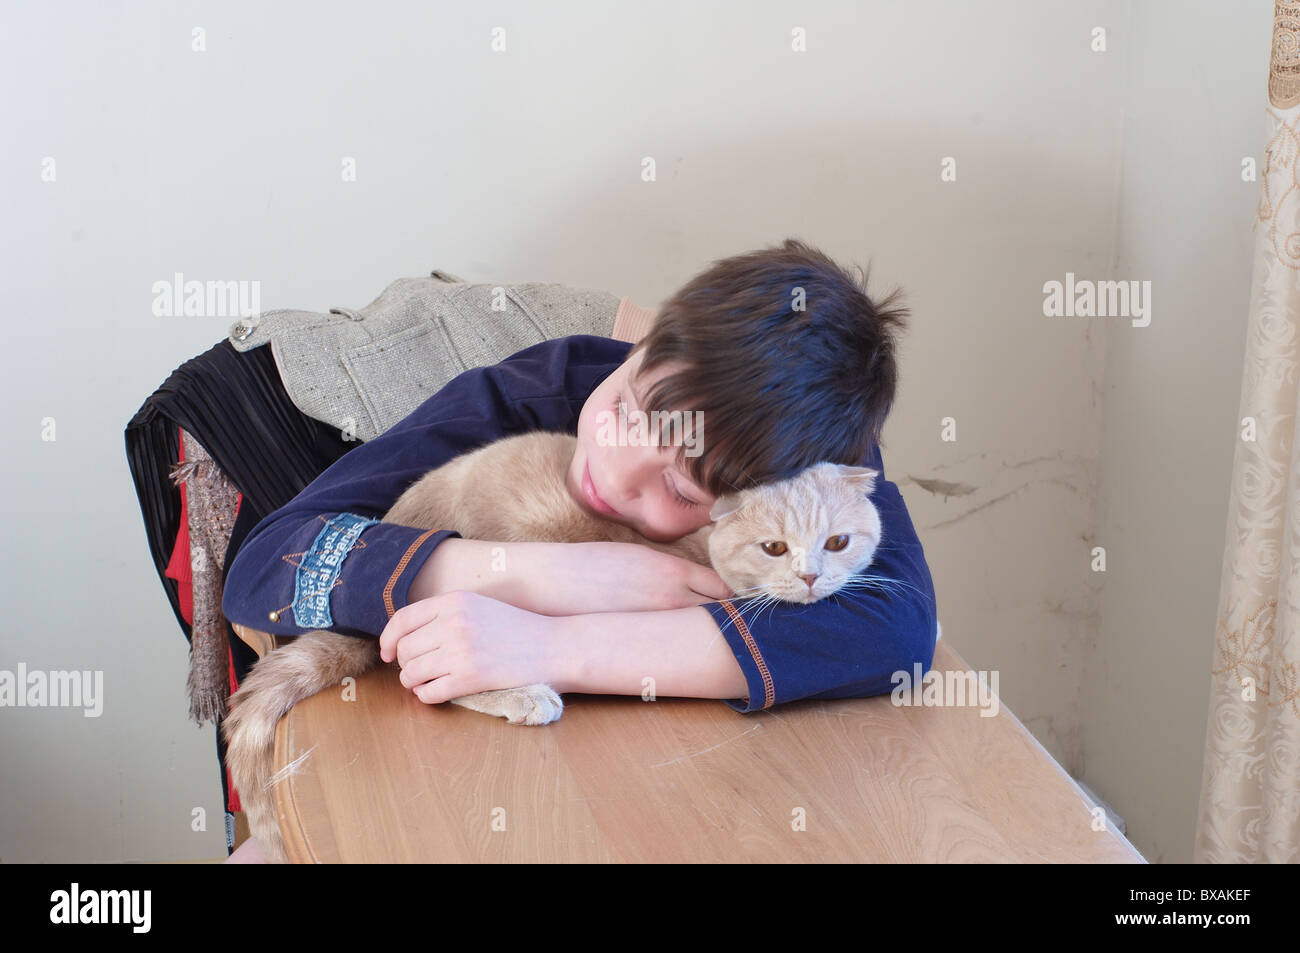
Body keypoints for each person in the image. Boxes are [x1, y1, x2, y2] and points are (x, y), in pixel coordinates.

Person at [221, 237, 937, 863]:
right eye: (626, 407)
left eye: (682, 492)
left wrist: (552, 647)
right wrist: (552, 576)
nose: (615, 466)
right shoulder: (541, 385)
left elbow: (900, 632)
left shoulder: (802, 470)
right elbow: (265, 565)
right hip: (410, 744)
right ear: (646, 346)